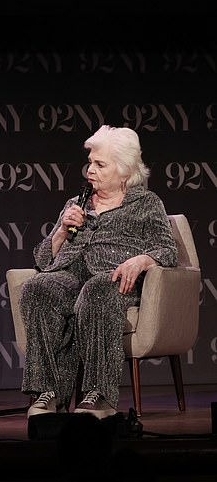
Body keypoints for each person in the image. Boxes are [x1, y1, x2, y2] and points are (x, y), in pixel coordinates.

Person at [19, 125, 177, 419]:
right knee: (38, 287)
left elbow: (168, 251)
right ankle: (46, 392)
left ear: (124, 170)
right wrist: (61, 233)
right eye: (90, 162)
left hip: (113, 278)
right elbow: (42, 259)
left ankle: (99, 395)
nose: (90, 170)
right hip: (70, 275)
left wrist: (141, 260)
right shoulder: (75, 204)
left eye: (100, 164)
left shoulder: (146, 203)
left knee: (96, 291)